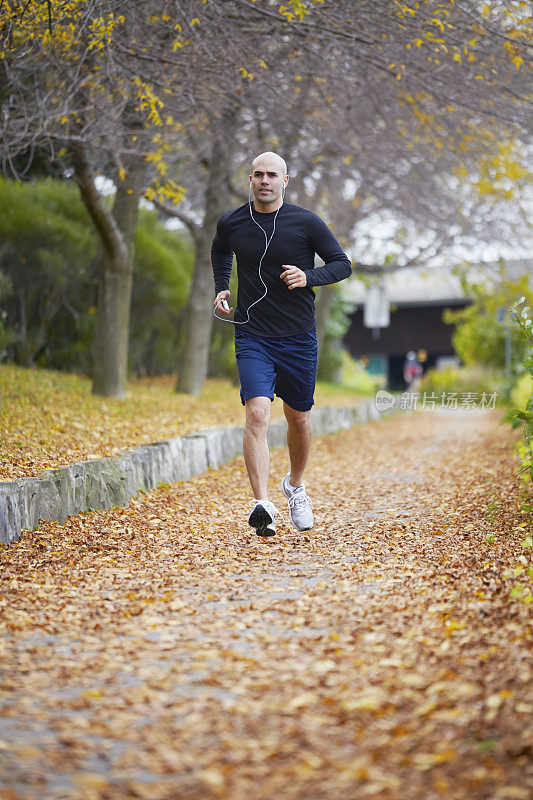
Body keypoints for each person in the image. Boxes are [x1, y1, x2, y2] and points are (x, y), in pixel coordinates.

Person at [211, 152, 352, 537]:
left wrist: (308, 277)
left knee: (298, 417)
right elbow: (220, 249)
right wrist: (222, 285)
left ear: (285, 180)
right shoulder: (233, 221)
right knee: (257, 414)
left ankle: (295, 485)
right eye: (258, 174)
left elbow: (342, 264)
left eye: (272, 174)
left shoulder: (306, 222)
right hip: (252, 333)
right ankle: (263, 504)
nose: (264, 181)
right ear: (251, 179)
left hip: (298, 337)